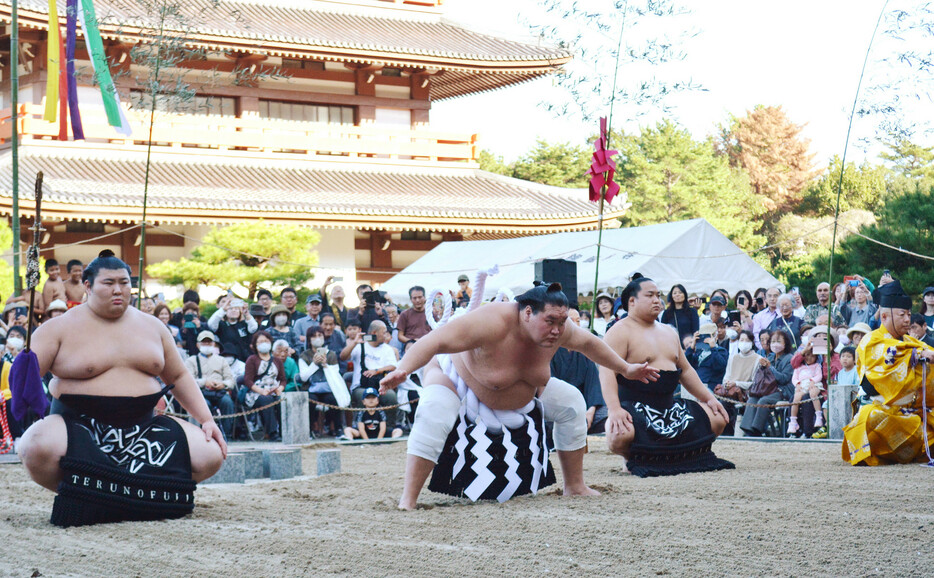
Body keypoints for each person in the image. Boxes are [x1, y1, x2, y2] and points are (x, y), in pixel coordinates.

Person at [379, 282, 659, 509]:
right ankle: (409, 499)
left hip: (522, 397)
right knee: (434, 408)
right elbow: (434, 341)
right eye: (550, 321)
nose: (557, 330)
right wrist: (403, 369)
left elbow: (590, 344)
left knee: (572, 401)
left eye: (561, 322)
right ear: (527, 313)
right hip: (458, 379)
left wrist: (625, 368)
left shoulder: (559, 329)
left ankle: (575, 485)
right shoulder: (490, 321)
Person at [17, 250, 225, 527]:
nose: (119, 290)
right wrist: (25, 366)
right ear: (88, 286)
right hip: (78, 425)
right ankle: (89, 492)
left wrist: (206, 419)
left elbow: (178, 375)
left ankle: (114, 495)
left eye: (124, 282)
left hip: (144, 426)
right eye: (109, 283)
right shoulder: (58, 328)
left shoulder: (153, 327)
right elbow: (26, 379)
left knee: (210, 453)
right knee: (35, 446)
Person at [598, 278, 731, 477]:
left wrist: (709, 398)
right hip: (636, 408)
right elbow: (606, 371)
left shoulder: (669, 331)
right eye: (649, 295)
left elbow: (685, 371)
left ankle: (676, 456)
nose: (656, 300)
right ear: (632, 301)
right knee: (619, 434)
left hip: (670, 408)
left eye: (658, 295)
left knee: (719, 417)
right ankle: (633, 456)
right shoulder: (619, 331)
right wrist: (615, 409)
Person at [843, 279, 934, 466]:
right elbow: (890, 351)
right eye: (902, 315)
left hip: (916, 411)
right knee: (870, 418)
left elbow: (924, 350)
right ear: (884, 317)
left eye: (909, 314)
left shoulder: (910, 341)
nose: (908, 319)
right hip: (882, 407)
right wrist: (917, 354)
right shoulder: (871, 340)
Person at [550, 309, 606, 434]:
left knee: (607, 416)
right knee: (546, 420)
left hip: (584, 406)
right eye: (571, 320)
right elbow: (549, 388)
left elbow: (593, 384)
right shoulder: (550, 349)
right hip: (559, 409)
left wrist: (590, 411)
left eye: (578, 321)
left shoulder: (584, 349)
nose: (575, 324)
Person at [341, 320, 400, 429]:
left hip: (380, 386)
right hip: (361, 386)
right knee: (363, 395)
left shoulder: (387, 349)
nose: (386, 335)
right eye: (384, 332)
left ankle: (389, 428)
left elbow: (393, 366)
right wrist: (354, 342)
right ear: (374, 333)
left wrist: (377, 370)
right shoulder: (360, 345)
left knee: (391, 397)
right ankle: (360, 428)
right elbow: (343, 357)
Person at [741, 330, 794, 437]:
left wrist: (770, 367)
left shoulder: (789, 358)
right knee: (752, 399)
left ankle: (757, 430)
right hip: (767, 389)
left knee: (763, 401)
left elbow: (783, 379)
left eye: (779, 341)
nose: (775, 344)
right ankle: (747, 429)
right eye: (773, 341)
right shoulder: (770, 357)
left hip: (782, 390)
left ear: (785, 343)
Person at [184, 331, 236, 438]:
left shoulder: (222, 360)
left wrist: (223, 384)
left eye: (209, 343)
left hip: (219, 392)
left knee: (227, 402)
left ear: (214, 344)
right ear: (198, 345)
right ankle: (202, 434)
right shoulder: (191, 361)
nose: (207, 345)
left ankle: (226, 434)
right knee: (204, 405)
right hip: (201, 393)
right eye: (204, 343)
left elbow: (231, 380)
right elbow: (188, 380)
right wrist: (204, 382)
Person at [298, 327, 343, 437]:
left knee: (334, 399)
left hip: (328, 388)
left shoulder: (331, 354)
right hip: (311, 389)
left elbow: (336, 373)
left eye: (320, 336)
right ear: (309, 339)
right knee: (310, 401)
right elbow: (303, 377)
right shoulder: (304, 356)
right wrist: (314, 364)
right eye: (314, 336)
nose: (317, 339)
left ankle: (338, 429)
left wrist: (325, 365)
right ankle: (309, 430)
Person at [243, 331, 286, 441]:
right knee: (266, 399)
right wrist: (261, 391)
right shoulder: (252, 360)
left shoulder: (277, 360)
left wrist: (280, 389)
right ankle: (272, 433)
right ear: (255, 345)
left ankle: (284, 430)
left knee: (282, 399)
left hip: (274, 389)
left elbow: (282, 379)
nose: (264, 343)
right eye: (260, 342)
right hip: (257, 392)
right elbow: (248, 380)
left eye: (266, 341)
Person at [787, 347, 825, 435]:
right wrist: (797, 384)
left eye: (812, 356)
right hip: (802, 385)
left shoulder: (817, 366)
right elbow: (794, 378)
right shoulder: (799, 367)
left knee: (813, 394)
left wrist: (813, 381)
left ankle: (818, 416)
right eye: (807, 355)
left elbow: (819, 376)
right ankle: (793, 421)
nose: (809, 358)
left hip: (813, 384)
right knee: (796, 398)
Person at [207, 296, 257, 361]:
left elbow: (254, 328)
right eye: (230, 309)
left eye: (236, 309)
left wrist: (247, 314)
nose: (233, 310)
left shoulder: (244, 324)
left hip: (244, 359)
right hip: (226, 358)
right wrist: (223, 309)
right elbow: (211, 324)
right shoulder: (221, 324)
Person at [684, 323, 728, 391]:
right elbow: (686, 364)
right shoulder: (699, 352)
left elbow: (720, 366)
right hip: (696, 385)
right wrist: (691, 347)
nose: (704, 340)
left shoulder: (721, 351)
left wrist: (713, 348)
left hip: (710, 386)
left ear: (715, 337)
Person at [396, 286, 430, 353]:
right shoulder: (405, 314)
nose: (417, 300)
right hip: (410, 348)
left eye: (420, 297)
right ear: (411, 299)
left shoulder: (431, 314)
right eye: (414, 298)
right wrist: (413, 341)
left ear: (424, 298)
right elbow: (400, 336)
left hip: (428, 346)